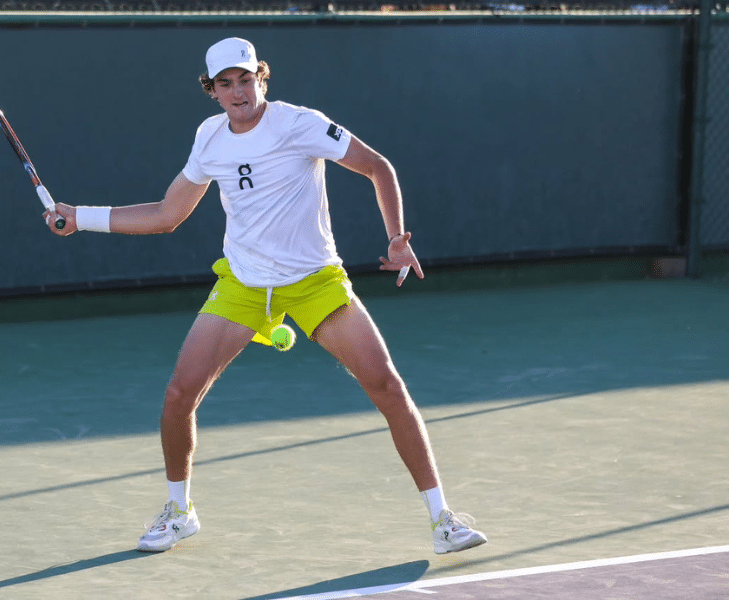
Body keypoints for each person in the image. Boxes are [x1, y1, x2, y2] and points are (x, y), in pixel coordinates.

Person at [44, 37, 487, 555]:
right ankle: (178, 511)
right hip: (245, 284)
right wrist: (82, 218)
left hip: (315, 281)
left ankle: (443, 520)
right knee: (178, 395)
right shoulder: (210, 138)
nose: (237, 91)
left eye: (245, 79)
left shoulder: (299, 124)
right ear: (211, 91)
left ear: (261, 78)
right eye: (225, 83)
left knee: (387, 385)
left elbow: (377, 167)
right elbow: (168, 213)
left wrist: (395, 234)